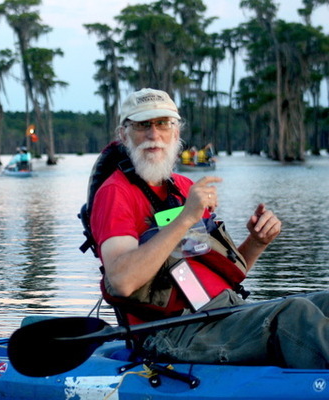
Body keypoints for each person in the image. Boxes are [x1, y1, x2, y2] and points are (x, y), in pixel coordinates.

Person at [90, 87, 329, 369]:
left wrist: (257, 242)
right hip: (169, 333)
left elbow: (214, 274)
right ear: (124, 134)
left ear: (176, 132)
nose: (154, 135)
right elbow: (121, 281)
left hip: (220, 312)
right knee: (296, 315)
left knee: (324, 301)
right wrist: (185, 219)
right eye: (143, 125)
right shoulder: (115, 193)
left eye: (163, 123)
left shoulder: (183, 188)